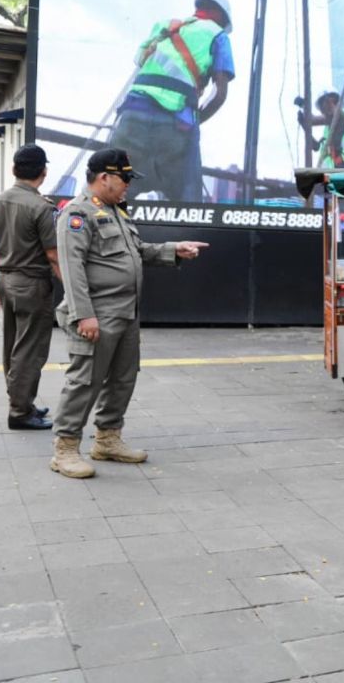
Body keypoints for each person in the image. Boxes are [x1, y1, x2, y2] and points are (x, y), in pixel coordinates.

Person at [50, 149, 208, 479]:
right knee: (85, 381)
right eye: (124, 179)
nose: (128, 187)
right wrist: (84, 315)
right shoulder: (77, 214)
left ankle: (107, 439)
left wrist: (172, 250)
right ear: (104, 177)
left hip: (125, 312)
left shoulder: (116, 212)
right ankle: (64, 449)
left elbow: (136, 252)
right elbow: (72, 268)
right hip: (97, 314)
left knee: (123, 378)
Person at [109, 0, 236, 202]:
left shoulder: (167, 26)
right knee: (188, 205)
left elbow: (140, 59)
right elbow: (220, 94)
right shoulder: (218, 35)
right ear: (221, 17)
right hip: (175, 125)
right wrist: (196, 121)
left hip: (132, 116)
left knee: (111, 195)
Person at [0, 144, 62, 430]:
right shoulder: (41, 208)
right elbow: (53, 255)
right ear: (43, 172)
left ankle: (23, 402)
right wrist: (77, 294)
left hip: (6, 280)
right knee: (29, 350)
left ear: (13, 170)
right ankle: (19, 412)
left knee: (12, 344)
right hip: (31, 285)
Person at [299, 92, 344, 169]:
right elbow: (316, 146)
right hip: (329, 169)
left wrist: (305, 107)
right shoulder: (328, 128)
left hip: (342, 165)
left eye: (326, 105)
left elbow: (314, 120)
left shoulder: (341, 116)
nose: (323, 111)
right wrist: (304, 108)